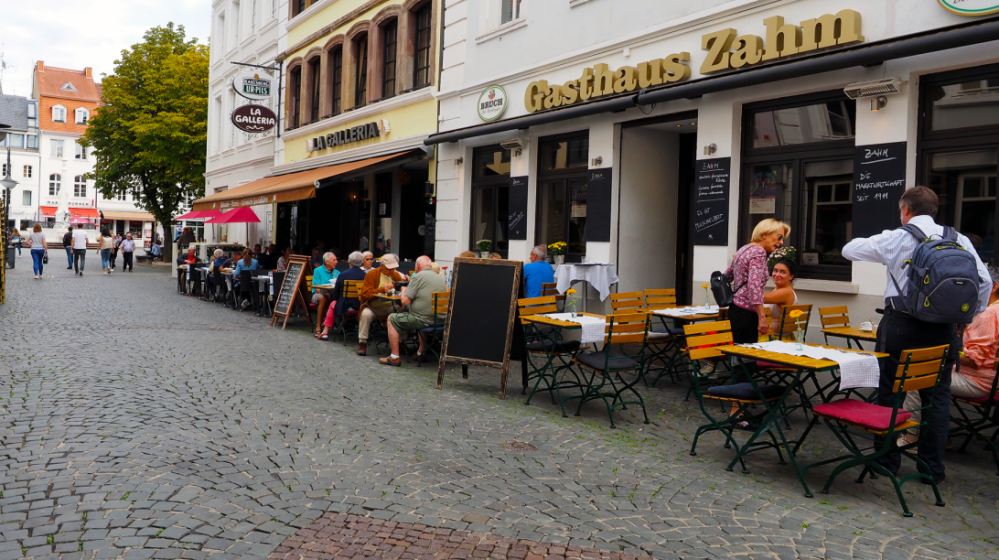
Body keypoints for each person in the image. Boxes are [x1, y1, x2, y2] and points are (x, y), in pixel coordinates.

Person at [843, 187, 990, 484]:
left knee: (891, 394)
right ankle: (932, 469)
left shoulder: (897, 237)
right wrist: (966, 315)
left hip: (901, 326)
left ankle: (887, 461)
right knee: (936, 398)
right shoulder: (958, 239)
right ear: (934, 211)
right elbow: (985, 281)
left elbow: (849, 250)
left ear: (906, 209)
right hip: (944, 330)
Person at [899, 265, 999, 447]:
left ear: (994, 287)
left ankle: (911, 438)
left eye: (979, 284)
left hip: (980, 382)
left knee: (917, 379)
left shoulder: (989, 314)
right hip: (992, 381)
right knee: (932, 383)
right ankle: (940, 437)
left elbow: (974, 360)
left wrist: (944, 352)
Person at [722, 218, 788, 430]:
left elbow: (726, 276)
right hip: (747, 312)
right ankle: (738, 415)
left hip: (736, 310)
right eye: (779, 237)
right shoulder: (759, 252)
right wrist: (761, 316)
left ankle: (739, 410)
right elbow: (753, 288)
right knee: (746, 362)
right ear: (764, 234)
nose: (780, 243)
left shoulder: (743, 249)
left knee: (741, 360)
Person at [380, 256, 447, 366]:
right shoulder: (440, 278)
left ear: (418, 266)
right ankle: (420, 353)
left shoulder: (418, 277)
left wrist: (403, 291)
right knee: (422, 314)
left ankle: (394, 357)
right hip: (441, 320)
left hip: (424, 320)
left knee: (391, 319)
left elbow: (405, 302)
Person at [357, 253, 406, 356]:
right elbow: (366, 295)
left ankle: (399, 342)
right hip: (373, 307)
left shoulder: (395, 275)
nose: (392, 271)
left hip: (389, 306)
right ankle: (362, 342)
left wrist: (404, 284)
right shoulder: (371, 275)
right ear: (382, 266)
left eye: (393, 268)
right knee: (366, 315)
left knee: (403, 312)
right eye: (390, 269)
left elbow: (401, 288)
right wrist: (381, 289)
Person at [316, 251, 367, 341]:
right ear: (361, 262)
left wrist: (336, 298)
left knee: (333, 304)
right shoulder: (365, 275)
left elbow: (336, 295)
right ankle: (360, 333)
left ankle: (325, 331)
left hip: (345, 305)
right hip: (360, 306)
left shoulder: (343, 274)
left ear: (349, 262)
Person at [764, 259, 798, 329]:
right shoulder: (778, 290)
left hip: (774, 338)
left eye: (783, 272)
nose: (777, 275)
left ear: (791, 276)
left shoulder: (786, 292)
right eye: (775, 271)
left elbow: (758, 298)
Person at [311, 252, 340, 334]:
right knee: (324, 297)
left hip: (333, 295)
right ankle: (319, 326)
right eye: (334, 260)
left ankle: (342, 325)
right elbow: (317, 289)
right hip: (318, 295)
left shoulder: (337, 272)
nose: (336, 262)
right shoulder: (318, 271)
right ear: (327, 262)